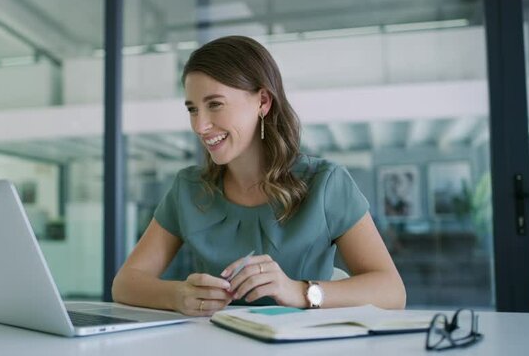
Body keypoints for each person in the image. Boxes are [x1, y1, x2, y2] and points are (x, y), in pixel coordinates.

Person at [112, 35, 406, 316]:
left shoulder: (325, 183)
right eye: (192, 109)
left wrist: (299, 292)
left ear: (263, 102)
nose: (200, 125)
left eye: (215, 104)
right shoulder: (188, 189)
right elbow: (125, 283)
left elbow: (392, 291)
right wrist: (177, 296)